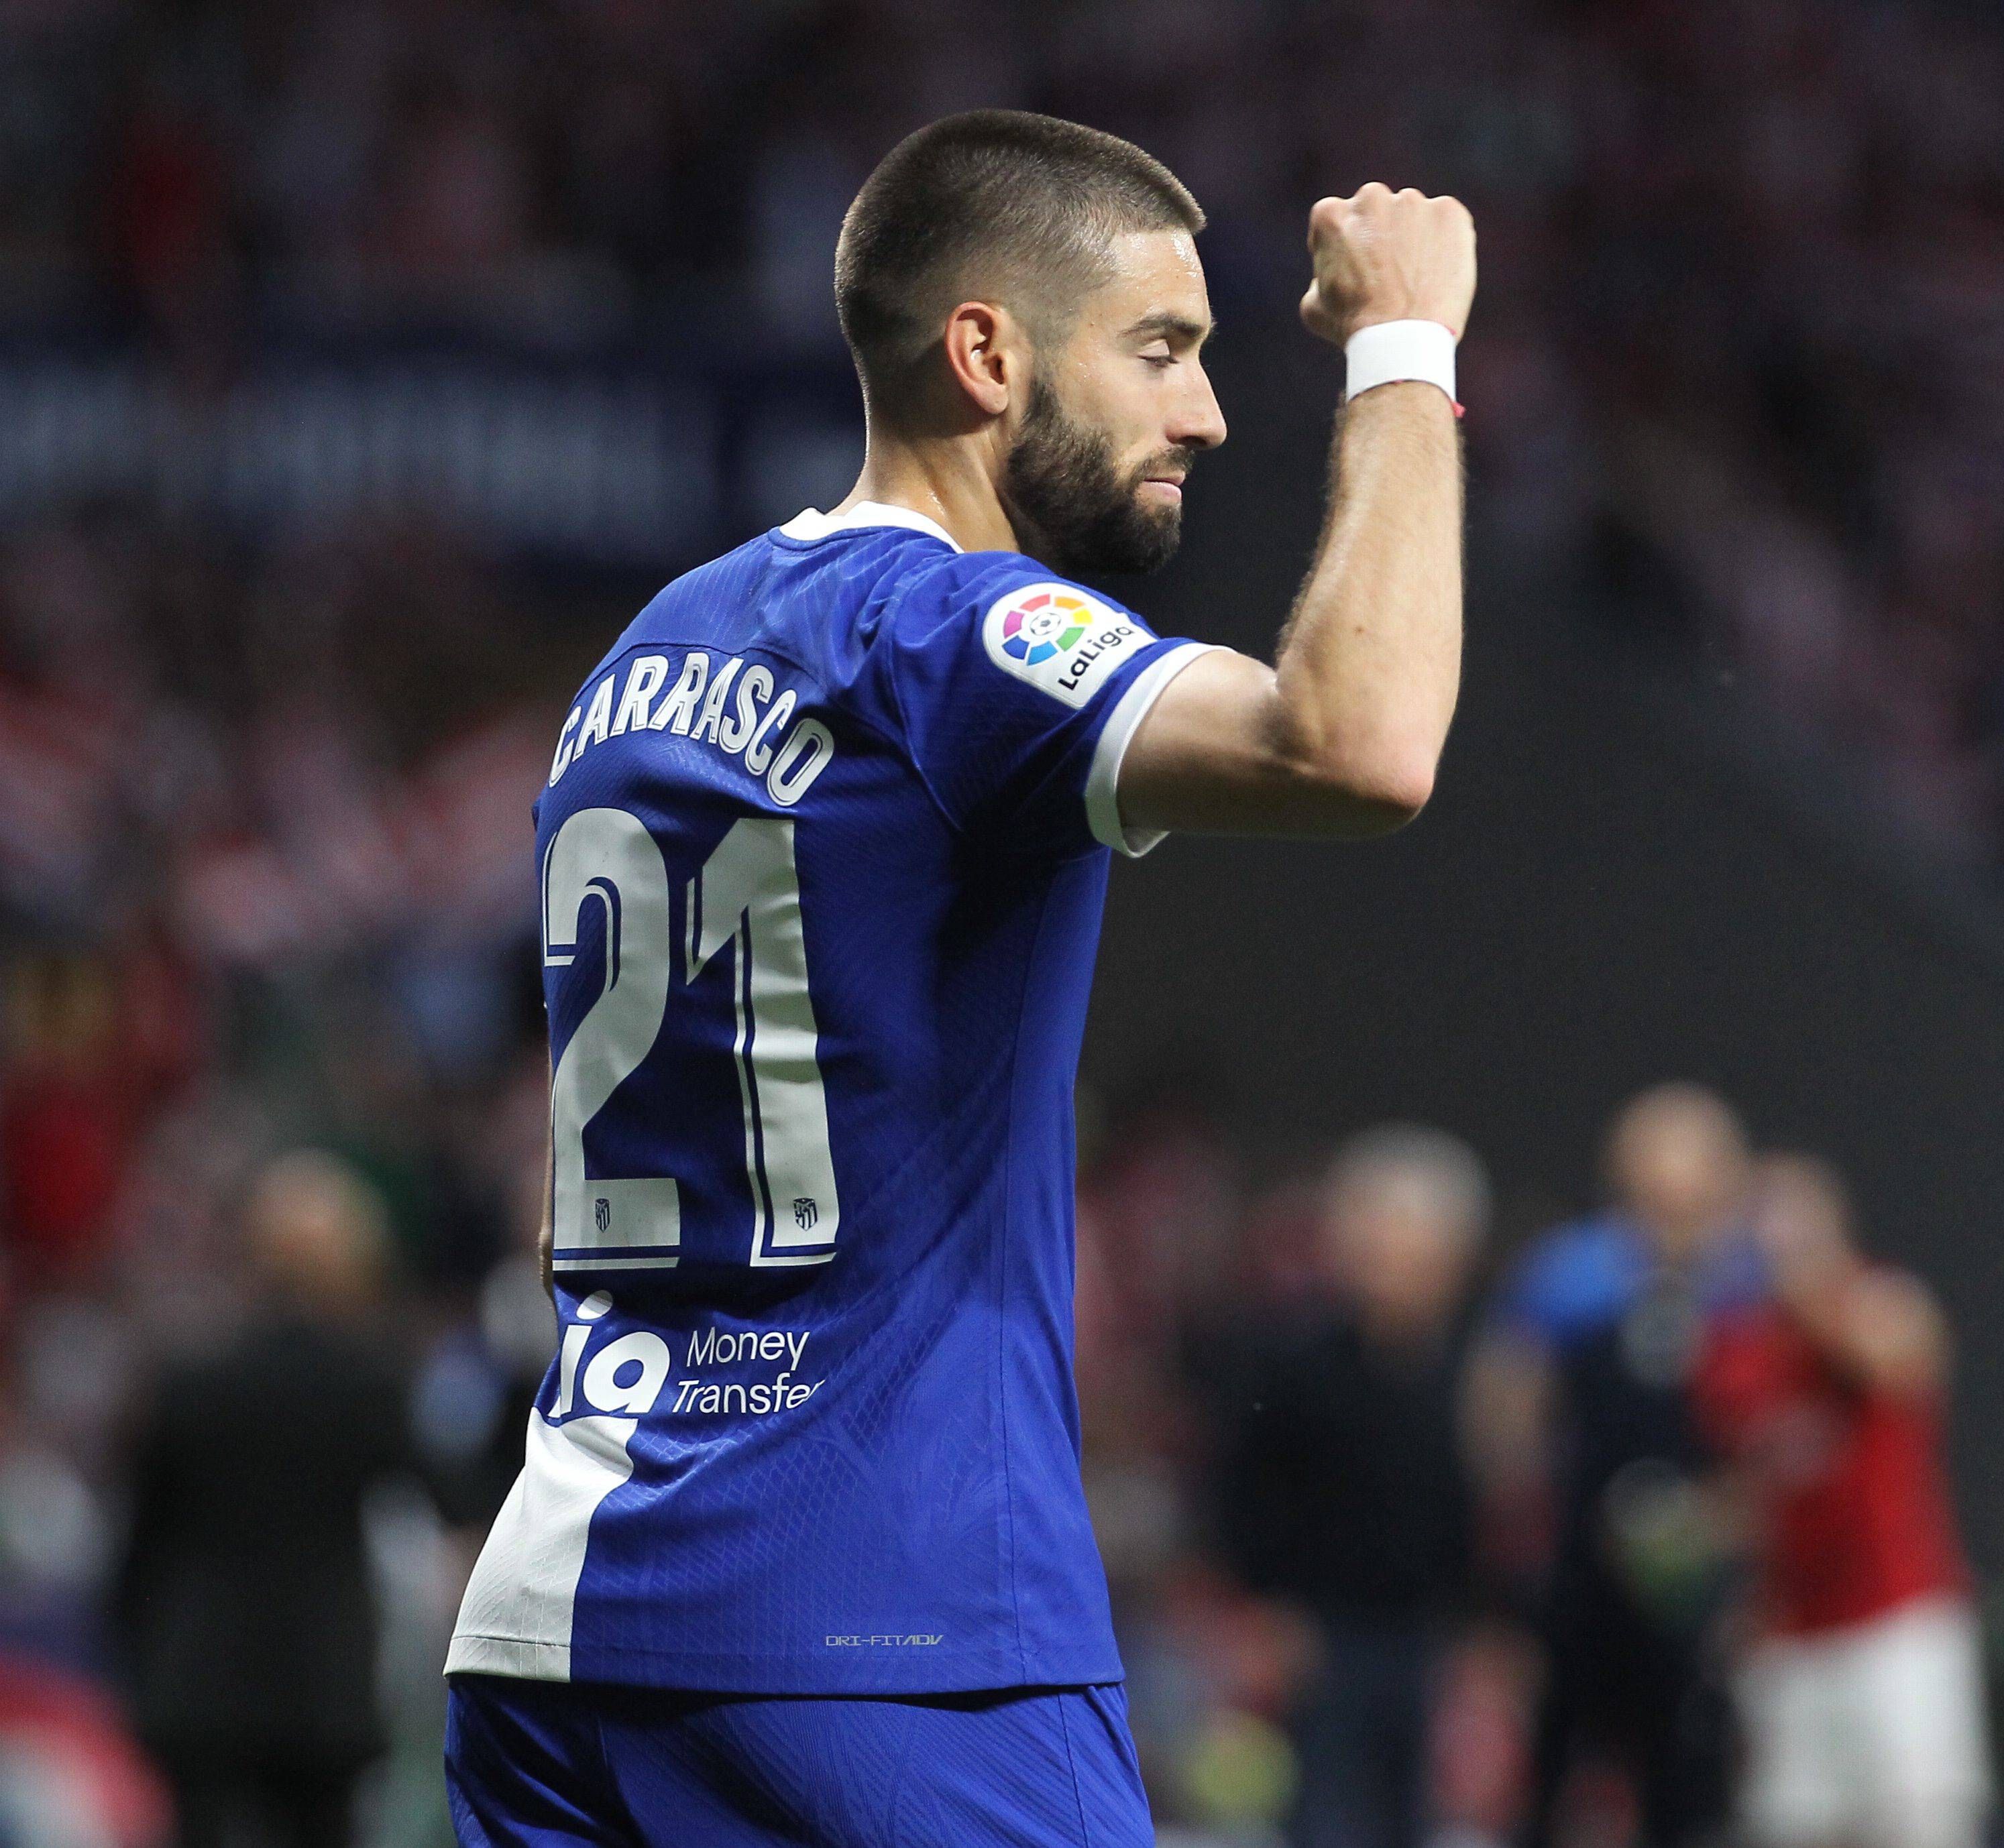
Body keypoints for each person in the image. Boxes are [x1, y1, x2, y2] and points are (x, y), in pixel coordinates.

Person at [443, 111, 1475, 1848]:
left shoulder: (649, 651)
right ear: (986, 354)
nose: (1206, 413)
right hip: (879, 1632)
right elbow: (1355, 742)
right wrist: (1404, 349)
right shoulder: (954, 632)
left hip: (556, 1628)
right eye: (1161, 349)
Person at [1468, 1082, 1760, 1848]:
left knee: (1687, 1777)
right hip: (1581, 1563)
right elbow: (1506, 1403)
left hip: (1701, 1575)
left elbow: (1770, 1438)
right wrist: (1515, 1541)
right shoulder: (1573, 1273)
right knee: (1557, 1763)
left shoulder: (1749, 1284)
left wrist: (1734, 1528)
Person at [112, 1151, 419, 1848]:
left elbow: (141, 1542)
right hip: (323, 1687)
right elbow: (444, 1496)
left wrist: (137, 1651)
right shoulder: (366, 1384)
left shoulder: (191, 1380)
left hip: (200, 1682)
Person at [1695, 1155, 1989, 1848]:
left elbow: (1898, 1362)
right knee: (1793, 1824)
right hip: (1792, 1637)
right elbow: (1750, 1485)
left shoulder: (1882, 1300)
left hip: (1897, 1625)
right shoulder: (1735, 1351)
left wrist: (1815, 1292)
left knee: (1919, 1823)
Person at [1213, 1126, 1488, 1848]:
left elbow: (1480, 1508)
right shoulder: (1296, 1363)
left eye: (1414, 1244)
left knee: (1413, 1817)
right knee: (1324, 1817)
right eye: (1374, 1237)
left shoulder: (1477, 1369)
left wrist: (1483, 1626)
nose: (1390, 1261)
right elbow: (1245, 1492)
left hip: (1428, 1634)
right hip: (1322, 1632)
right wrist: (1267, 1606)